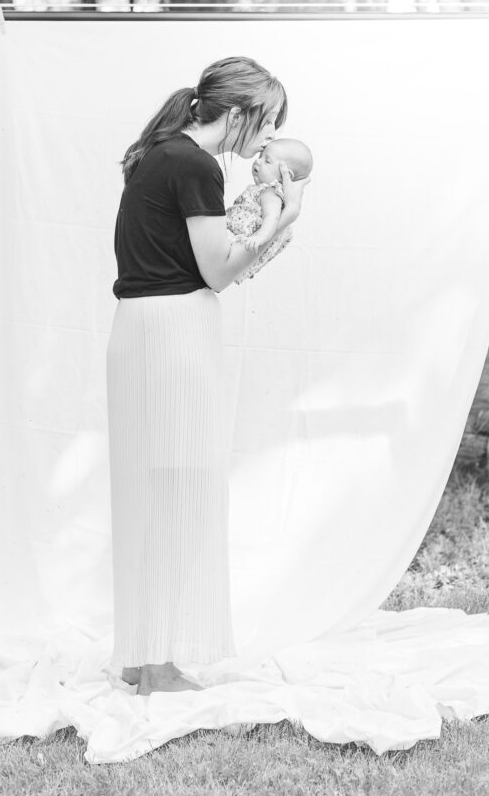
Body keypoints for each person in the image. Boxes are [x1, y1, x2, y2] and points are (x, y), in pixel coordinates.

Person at [106, 55, 311, 697]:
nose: (269, 135)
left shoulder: (161, 153)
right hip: (173, 334)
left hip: (140, 328)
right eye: (269, 119)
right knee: (178, 490)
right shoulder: (193, 164)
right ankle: (160, 669)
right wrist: (287, 213)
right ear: (240, 112)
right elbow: (219, 268)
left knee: (150, 491)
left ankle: (144, 654)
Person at [226, 137, 313, 284]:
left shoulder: (271, 192)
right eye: (260, 156)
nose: (258, 161)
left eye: (267, 161)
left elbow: (271, 218)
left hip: (237, 240)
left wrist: (260, 236)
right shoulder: (265, 191)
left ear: (285, 175)